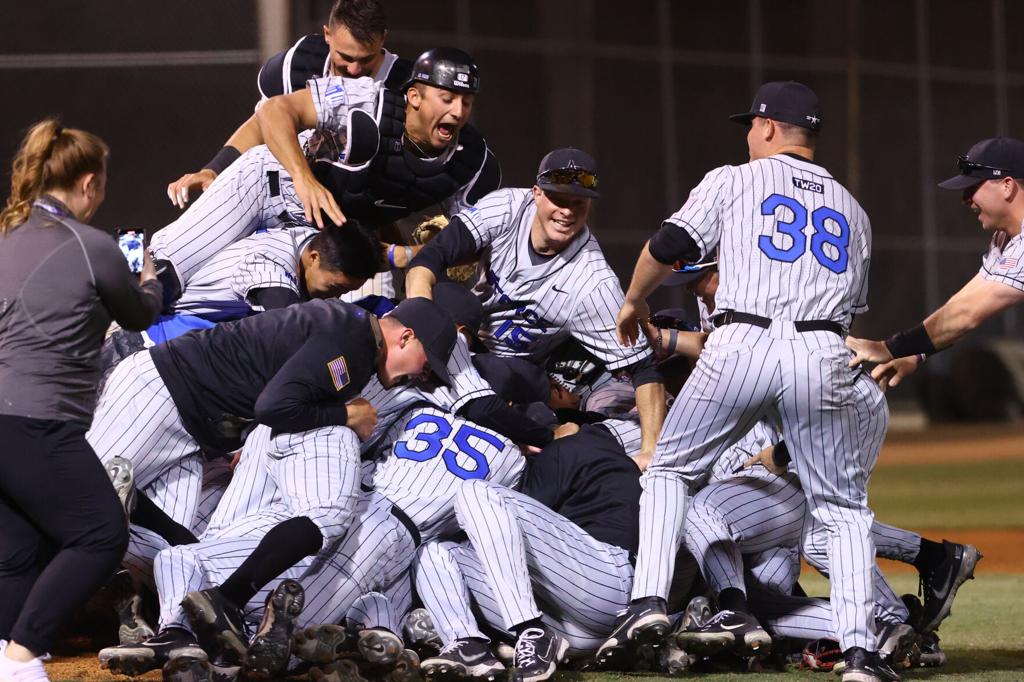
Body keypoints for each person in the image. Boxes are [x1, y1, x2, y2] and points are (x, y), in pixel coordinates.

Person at [603, 81, 896, 682]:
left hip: (740, 342)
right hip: (821, 350)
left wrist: (634, 299)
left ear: (766, 127)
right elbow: (852, 307)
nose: (747, 135)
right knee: (842, 509)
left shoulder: (734, 178)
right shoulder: (855, 211)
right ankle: (862, 655)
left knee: (668, 471)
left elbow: (670, 245)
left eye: (750, 125)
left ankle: (648, 604)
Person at [0, 119, 163, 681]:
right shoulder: (91, 245)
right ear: (89, 183)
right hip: (36, 421)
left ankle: (4, 650)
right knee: (99, 533)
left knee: (19, 546)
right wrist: (152, 280)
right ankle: (20, 658)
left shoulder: (6, 234)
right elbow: (140, 315)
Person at [150, 46, 499, 305]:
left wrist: (417, 253)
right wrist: (303, 178)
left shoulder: (472, 160)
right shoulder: (364, 98)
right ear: (414, 96)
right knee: (165, 273)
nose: (458, 111)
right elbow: (274, 111)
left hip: (329, 238)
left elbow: (475, 239)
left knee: (357, 328)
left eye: (466, 102)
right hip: (269, 187)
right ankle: (114, 307)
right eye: (447, 98)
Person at [405, 147, 667, 469]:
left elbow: (644, 367)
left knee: (509, 391)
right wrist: (420, 318)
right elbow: (431, 257)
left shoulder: (593, 282)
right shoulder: (506, 207)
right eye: (558, 198)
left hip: (519, 370)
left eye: (578, 203)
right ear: (537, 193)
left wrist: (651, 449)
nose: (567, 211)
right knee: (450, 298)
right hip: (466, 333)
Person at [166, 0, 411, 208]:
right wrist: (213, 170)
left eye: (366, 59)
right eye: (345, 57)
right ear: (327, 35)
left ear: (383, 40)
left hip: (365, 208)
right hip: (287, 199)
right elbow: (262, 125)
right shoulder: (299, 63)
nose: (355, 69)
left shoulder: (409, 87)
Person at [847, 137, 1024, 388]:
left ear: (1007, 185)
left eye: (973, 187)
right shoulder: (1004, 238)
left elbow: (967, 314)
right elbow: (964, 302)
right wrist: (916, 351)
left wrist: (889, 348)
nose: (966, 199)